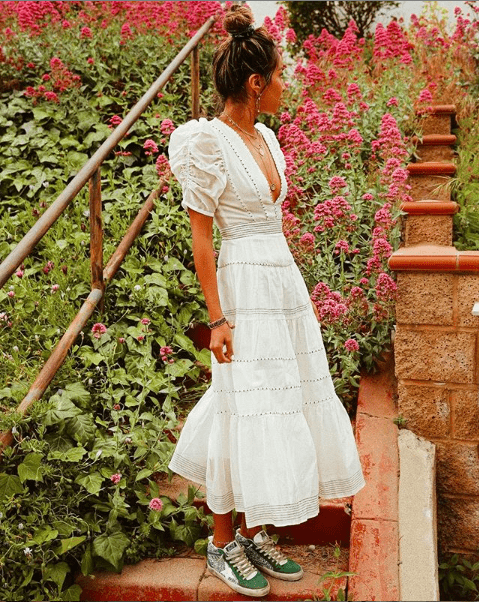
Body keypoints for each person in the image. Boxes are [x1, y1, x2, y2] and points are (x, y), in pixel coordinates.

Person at [167, 5, 365, 597]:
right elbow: (203, 237)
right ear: (256, 83)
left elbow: (273, 215)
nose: (286, 85)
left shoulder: (269, 139)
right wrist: (216, 318)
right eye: (279, 75)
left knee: (279, 407)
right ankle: (222, 541)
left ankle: (253, 534)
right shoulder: (206, 141)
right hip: (241, 289)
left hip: (282, 286)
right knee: (238, 406)